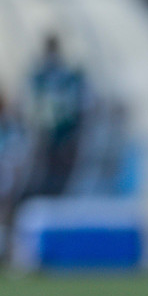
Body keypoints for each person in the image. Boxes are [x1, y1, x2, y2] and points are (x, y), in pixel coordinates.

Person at [27, 33, 90, 200]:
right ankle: (48, 193)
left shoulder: (65, 74)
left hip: (64, 126)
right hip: (47, 127)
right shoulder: (40, 75)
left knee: (62, 163)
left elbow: (75, 101)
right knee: (48, 162)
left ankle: (60, 194)